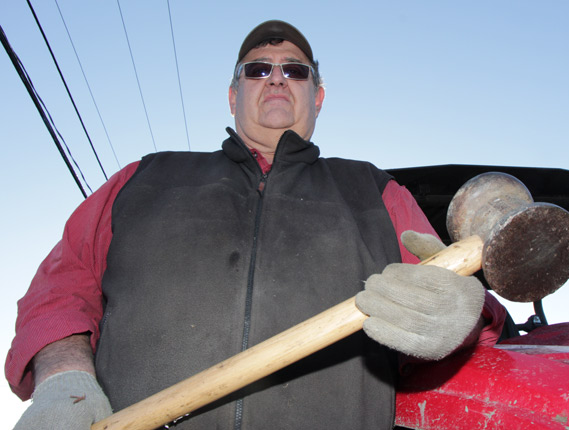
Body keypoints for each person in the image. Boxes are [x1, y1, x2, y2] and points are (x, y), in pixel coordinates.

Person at [7, 20, 506, 429]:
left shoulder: (376, 193)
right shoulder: (144, 178)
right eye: (257, 69)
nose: (276, 77)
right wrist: (63, 380)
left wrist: (459, 318)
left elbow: (457, 307)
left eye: (294, 69)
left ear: (319, 96)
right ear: (232, 95)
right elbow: (59, 291)